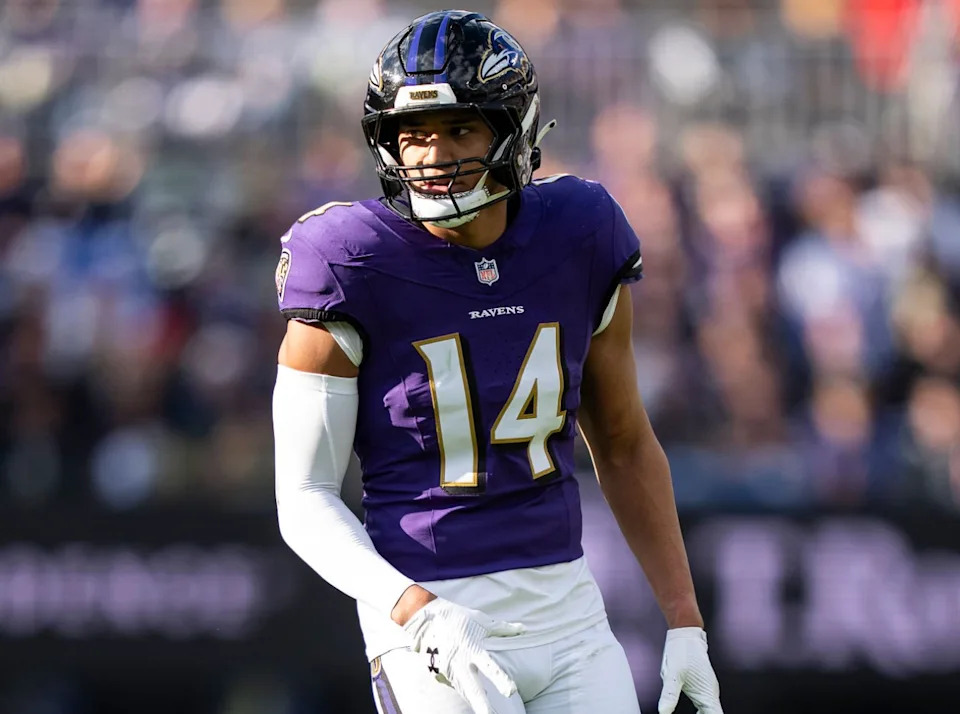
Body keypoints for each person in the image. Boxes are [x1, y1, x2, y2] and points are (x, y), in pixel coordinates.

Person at [272, 10, 723, 714]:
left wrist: (685, 616)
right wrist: (412, 609)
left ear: (515, 130)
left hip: (568, 609)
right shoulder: (349, 262)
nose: (431, 154)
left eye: (460, 129)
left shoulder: (581, 233)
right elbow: (304, 497)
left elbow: (626, 442)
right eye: (413, 133)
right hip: (433, 613)